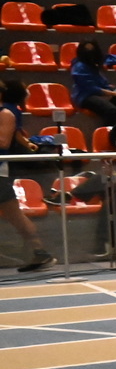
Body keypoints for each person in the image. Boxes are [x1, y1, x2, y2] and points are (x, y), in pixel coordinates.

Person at [0, 79, 54, 271]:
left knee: (15, 216)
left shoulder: (6, 114)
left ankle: (40, 252)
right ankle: (40, 252)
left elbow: (4, 142)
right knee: (15, 216)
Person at [69, 40, 116, 129]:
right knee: (112, 111)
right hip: (86, 96)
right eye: (87, 50)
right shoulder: (79, 67)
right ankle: (108, 134)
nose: (90, 53)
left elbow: (101, 81)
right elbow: (90, 88)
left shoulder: (94, 64)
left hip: (104, 93)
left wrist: (109, 88)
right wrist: (114, 94)